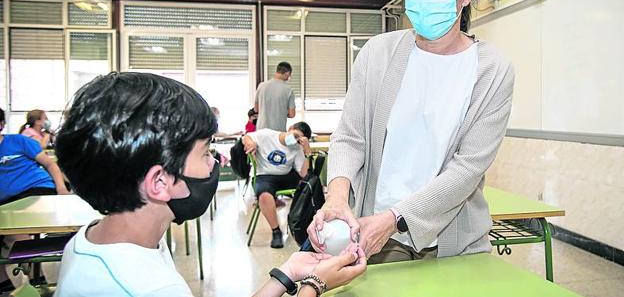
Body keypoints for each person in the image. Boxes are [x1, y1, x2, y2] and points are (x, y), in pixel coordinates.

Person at [54, 72, 365, 297]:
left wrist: (286, 275)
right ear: (160, 181)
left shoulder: (95, 241)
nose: (216, 163)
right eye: (205, 153)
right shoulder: (150, 288)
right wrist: (313, 286)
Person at [308, 0, 515, 265]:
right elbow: (350, 137)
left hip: (453, 239)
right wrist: (336, 196)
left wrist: (394, 217)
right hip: (373, 233)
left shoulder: (492, 70)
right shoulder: (378, 53)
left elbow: (467, 169)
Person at [0, 107, 69, 293]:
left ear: (1, 125)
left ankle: (34, 281)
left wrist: (62, 188)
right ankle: (6, 282)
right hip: (7, 201)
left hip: (36, 190)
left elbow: (50, 164)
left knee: (15, 231)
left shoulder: (19, 141)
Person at [243, 122, 312, 249]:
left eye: (299, 140)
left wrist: (307, 151)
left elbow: (304, 173)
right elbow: (246, 137)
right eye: (295, 135)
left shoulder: (297, 148)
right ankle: (276, 232)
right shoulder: (267, 134)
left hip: (285, 175)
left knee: (310, 185)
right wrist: (250, 143)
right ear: (290, 129)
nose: (295, 140)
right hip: (264, 174)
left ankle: (302, 226)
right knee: (264, 195)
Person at [254, 62, 296, 132]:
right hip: (278, 131)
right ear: (287, 73)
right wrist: (281, 112)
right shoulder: (288, 90)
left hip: (261, 130)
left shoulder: (261, 86)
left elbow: (256, 109)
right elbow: (292, 114)